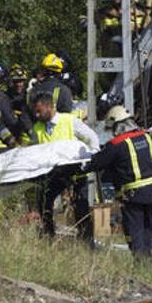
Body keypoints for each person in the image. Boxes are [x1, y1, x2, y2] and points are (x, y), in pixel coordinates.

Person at [85, 106, 152, 260]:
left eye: (112, 128)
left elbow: (97, 163)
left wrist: (83, 163)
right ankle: (148, 257)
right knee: (147, 226)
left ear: (117, 125)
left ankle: (140, 261)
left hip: (134, 193)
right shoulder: (145, 137)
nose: (112, 132)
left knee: (134, 228)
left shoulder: (117, 144)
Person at [31, 92, 100, 240]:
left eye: (39, 111)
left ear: (49, 107)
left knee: (81, 207)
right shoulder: (37, 128)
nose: (36, 115)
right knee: (44, 202)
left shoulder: (69, 121)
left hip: (75, 172)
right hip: (54, 174)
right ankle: (48, 237)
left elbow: (92, 139)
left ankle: (87, 243)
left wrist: (90, 160)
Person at [5, 63, 33, 144]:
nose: (19, 84)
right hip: (10, 135)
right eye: (16, 81)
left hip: (27, 134)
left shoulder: (29, 96)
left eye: (21, 81)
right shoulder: (5, 97)